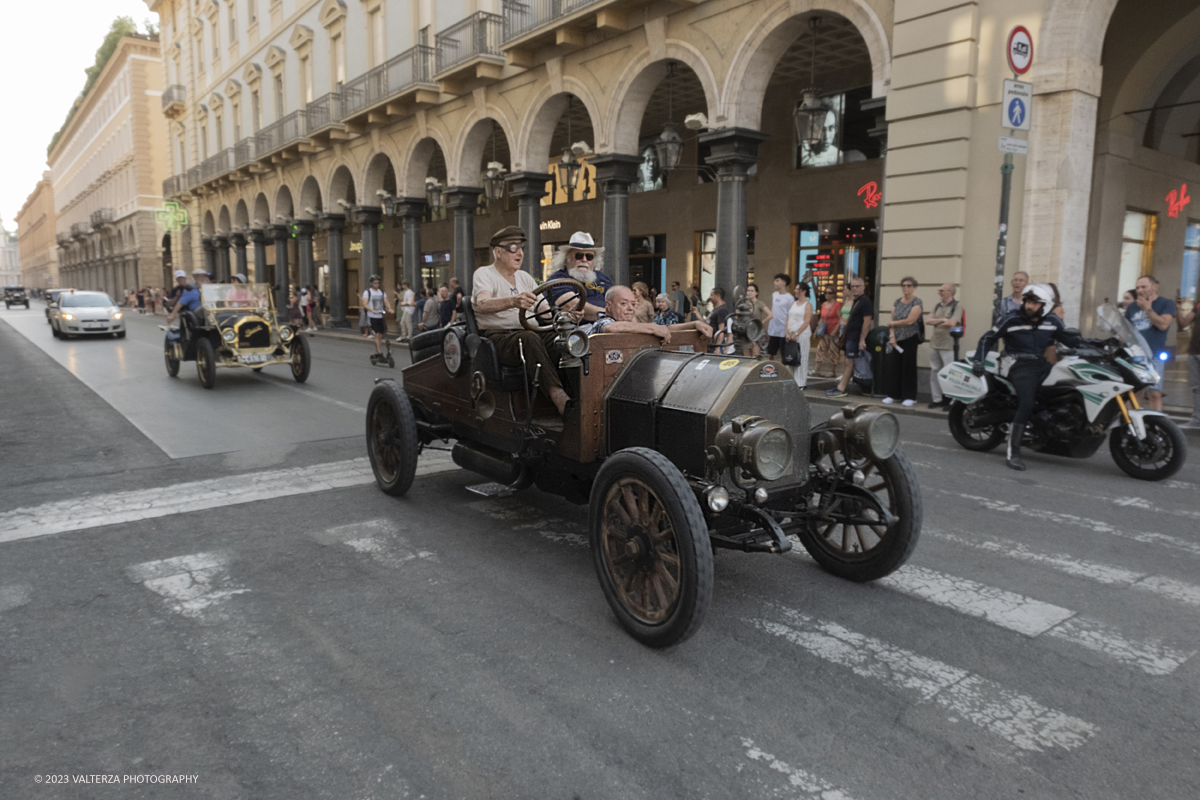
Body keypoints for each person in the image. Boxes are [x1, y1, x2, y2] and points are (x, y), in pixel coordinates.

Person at [974, 284, 1082, 470]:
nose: (1029, 306)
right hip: (1017, 365)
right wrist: (978, 360)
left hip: (1040, 364)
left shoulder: (1052, 321)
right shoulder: (1011, 319)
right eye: (1028, 301)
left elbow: (1071, 340)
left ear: (1045, 305)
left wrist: (1099, 344)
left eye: (1034, 303)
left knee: (1065, 388)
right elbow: (988, 338)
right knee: (1027, 403)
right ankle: (1013, 452)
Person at [472, 226, 572, 416]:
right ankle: (559, 398)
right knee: (529, 339)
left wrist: (564, 316)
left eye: (521, 248)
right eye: (513, 247)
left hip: (529, 333)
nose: (519, 253)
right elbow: (483, 303)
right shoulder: (484, 274)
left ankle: (580, 395)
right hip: (499, 338)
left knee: (567, 340)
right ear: (498, 252)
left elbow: (545, 312)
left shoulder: (524, 277)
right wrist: (513, 301)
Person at [587, 285, 712, 342]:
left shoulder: (632, 326)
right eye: (624, 304)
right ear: (609, 306)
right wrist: (652, 328)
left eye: (633, 304)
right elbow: (611, 328)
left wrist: (694, 324)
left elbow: (665, 328)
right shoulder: (603, 322)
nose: (630, 308)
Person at [1125, 274, 1176, 411]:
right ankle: (1135, 425)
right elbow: (1125, 331)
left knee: (1154, 393)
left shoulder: (1166, 303)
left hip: (1154, 354)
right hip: (1135, 355)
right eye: (1137, 287)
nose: (1140, 290)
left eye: (1144, 286)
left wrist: (1147, 308)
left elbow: (1163, 325)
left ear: (1154, 287)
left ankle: (1157, 426)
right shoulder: (1132, 308)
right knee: (1135, 392)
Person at [826, 277, 874, 398]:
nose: (854, 288)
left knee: (849, 362)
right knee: (849, 362)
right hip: (850, 336)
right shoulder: (855, 301)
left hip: (856, 338)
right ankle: (844, 386)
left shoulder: (866, 302)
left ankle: (841, 388)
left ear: (863, 287)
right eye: (853, 286)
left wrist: (862, 339)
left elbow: (867, 322)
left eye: (857, 286)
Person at [547, 231, 613, 318]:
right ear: (567, 258)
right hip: (580, 326)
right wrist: (607, 315)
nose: (584, 260)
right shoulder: (559, 278)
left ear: (594, 260)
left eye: (589, 256)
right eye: (579, 256)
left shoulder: (604, 279)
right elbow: (570, 304)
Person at [883, 278, 924, 407]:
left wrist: (893, 323)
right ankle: (894, 395)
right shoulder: (897, 301)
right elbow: (891, 319)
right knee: (894, 366)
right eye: (903, 285)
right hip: (897, 337)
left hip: (910, 337)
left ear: (914, 287)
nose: (906, 288)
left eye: (909, 285)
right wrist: (892, 335)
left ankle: (910, 396)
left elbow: (910, 320)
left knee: (908, 367)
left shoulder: (917, 302)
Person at [927, 283, 964, 408]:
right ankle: (936, 399)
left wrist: (936, 322)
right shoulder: (937, 305)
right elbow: (927, 320)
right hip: (935, 342)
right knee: (934, 371)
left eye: (942, 291)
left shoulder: (957, 306)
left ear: (950, 292)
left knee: (950, 373)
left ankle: (951, 400)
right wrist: (943, 320)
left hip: (948, 344)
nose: (940, 293)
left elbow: (953, 322)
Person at [1175, 295, 1199, 429]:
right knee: (1196, 388)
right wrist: (1178, 308)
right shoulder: (1198, 306)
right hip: (1194, 351)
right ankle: (1197, 420)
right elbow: (1183, 324)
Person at [784, 281, 813, 387]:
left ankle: (800, 383)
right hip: (790, 334)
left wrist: (797, 333)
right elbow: (787, 318)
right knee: (790, 357)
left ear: (803, 291)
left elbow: (806, 322)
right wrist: (787, 332)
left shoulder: (808, 305)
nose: (795, 291)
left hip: (802, 334)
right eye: (795, 289)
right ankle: (791, 381)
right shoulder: (793, 304)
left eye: (798, 289)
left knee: (802, 357)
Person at [814, 287, 843, 378]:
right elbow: (822, 319)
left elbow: (841, 319)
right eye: (825, 292)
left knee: (833, 351)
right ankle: (817, 370)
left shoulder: (837, 304)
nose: (827, 294)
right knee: (820, 349)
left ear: (834, 294)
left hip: (833, 332)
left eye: (829, 293)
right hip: (824, 331)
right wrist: (816, 329)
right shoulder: (823, 304)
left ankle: (832, 371)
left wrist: (835, 330)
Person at [362, 274, 393, 359]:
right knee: (376, 334)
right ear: (371, 283)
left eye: (378, 283)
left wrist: (389, 308)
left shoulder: (382, 292)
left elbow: (386, 302)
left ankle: (377, 351)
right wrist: (372, 310)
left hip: (380, 316)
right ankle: (379, 351)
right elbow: (364, 303)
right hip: (372, 316)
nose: (377, 284)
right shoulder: (367, 292)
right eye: (375, 283)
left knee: (380, 335)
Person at [765, 274, 794, 362]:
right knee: (771, 352)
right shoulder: (775, 294)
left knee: (783, 352)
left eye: (777, 281)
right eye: (775, 281)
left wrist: (788, 331)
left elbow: (790, 314)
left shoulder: (790, 298)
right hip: (773, 328)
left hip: (783, 329)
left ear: (784, 283)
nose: (775, 283)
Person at [743, 283, 772, 357]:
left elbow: (770, 315)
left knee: (755, 354)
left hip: (756, 332)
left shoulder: (759, 303)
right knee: (746, 355)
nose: (749, 292)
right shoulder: (744, 303)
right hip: (746, 331)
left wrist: (760, 323)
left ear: (756, 293)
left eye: (752, 291)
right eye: (748, 290)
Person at [707, 287, 732, 353]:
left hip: (715, 344)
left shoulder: (722, 310)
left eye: (712, 295)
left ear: (717, 296)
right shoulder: (716, 309)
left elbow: (721, 331)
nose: (710, 297)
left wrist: (717, 347)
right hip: (711, 342)